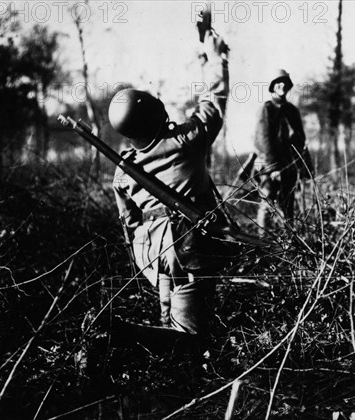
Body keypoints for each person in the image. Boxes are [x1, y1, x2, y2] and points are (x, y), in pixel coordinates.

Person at [108, 17, 229, 350]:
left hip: (151, 251)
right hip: (189, 246)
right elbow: (214, 99)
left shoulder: (123, 171)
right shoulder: (187, 141)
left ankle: (163, 365)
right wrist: (213, 53)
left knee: (168, 314)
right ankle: (122, 337)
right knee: (191, 337)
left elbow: (129, 223)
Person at [254, 69, 313, 232]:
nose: (282, 85)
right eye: (278, 82)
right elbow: (263, 140)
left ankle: (290, 240)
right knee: (267, 200)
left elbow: (301, 140)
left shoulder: (293, 111)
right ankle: (262, 239)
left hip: (289, 165)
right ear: (273, 86)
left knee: (288, 203)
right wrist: (273, 168)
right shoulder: (266, 109)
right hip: (269, 164)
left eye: (285, 83)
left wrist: (304, 166)